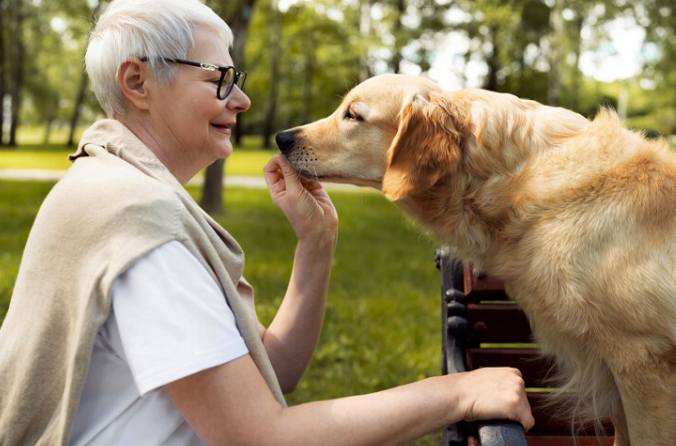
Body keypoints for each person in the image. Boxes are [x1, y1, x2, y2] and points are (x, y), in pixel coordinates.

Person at [0, 0, 534, 444]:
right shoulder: (134, 221)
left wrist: (316, 242)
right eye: (220, 78)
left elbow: (272, 371)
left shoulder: (115, 188)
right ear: (137, 82)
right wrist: (457, 392)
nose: (242, 98)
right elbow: (260, 438)